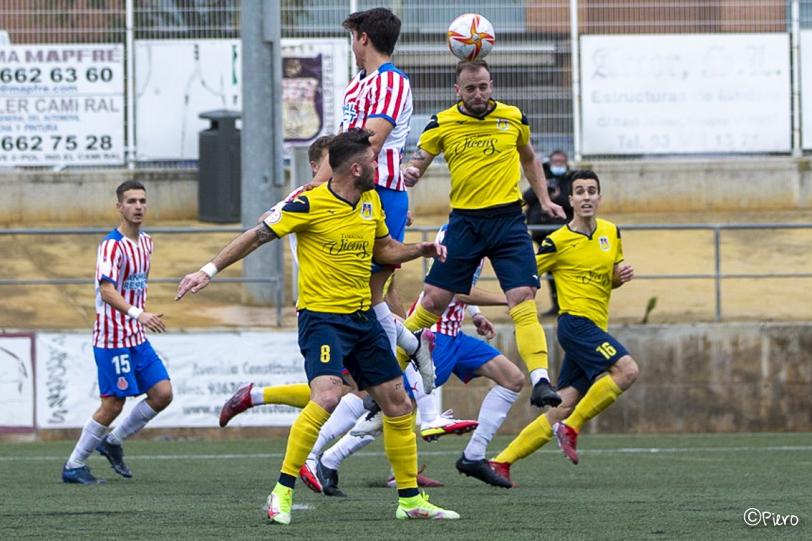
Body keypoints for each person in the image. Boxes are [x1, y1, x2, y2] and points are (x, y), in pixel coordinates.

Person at [175, 129, 459, 524]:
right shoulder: (307, 203)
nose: (379, 167)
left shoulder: (370, 201)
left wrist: (420, 249)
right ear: (356, 168)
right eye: (374, 161)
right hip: (322, 319)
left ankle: (411, 501)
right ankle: (281, 492)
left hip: (363, 319)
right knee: (326, 396)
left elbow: (384, 250)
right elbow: (256, 236)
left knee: (398, 405)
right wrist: (208, 270)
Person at [301, 225, 525, 493]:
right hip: (434, 333)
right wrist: (508, 300)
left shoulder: (485, 232)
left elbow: (466, 283)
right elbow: (453, 285)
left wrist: (474, 314)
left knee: (512, 379)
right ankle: (324, 457)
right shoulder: (457, 232)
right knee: (387, 402)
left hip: (455, 335)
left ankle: (474, 455)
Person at [401, 59, 566, 408]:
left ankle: (540, 380)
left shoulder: (513, 118)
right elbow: (419, 160)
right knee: (432, 300)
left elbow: (529, 158)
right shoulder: (442, 122)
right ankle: (392, 365)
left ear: (492, 85)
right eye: (470, 88)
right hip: (465, 222)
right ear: (457, 90)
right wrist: (412, 174)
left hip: (508, 220)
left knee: (523, 295)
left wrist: (545, 199)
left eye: (484, 86)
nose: (478, 94)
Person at [308, 7, 435, 392]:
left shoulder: (392, 82)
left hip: (380, 195)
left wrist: (314, 190)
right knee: (365, 292)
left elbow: (369, 145)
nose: (352, 44)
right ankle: (405, 363)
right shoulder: (354, 86)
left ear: (362, 38)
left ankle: (401, 373)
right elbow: (342, 146)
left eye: (353, 37)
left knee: (369, 293)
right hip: (349, 194)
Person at [486, 170, 639, 486]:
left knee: (563, 404)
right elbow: (526, 275)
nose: (586, 197)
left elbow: (608, 277)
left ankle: (501, 461)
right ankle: (571, 428)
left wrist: (617, 277)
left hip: (596, 327)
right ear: (569, 200)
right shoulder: (556, 241)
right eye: (579, 191)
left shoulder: (612, 232)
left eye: (591, 191)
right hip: (574, 325)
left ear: (599, 197)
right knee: (627, 370)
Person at [62, 181, 173, 484]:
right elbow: (108, 291)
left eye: (142, 201)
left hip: (136, 336)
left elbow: (133, 288)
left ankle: (112, 441)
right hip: (112, 339)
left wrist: (139, 317)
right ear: (119, 207)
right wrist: (140, 314)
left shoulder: (147, 242)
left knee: (163, 393)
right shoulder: (112, 245)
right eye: (131, 201)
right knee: (113, 404)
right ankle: (74, 465)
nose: (138, 206)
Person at [524, 150, 573, 316]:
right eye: (555, 161)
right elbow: (526, 197)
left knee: (564, 271)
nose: (558, 164)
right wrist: (543, 192)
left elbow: (572, 204)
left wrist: (557, 198)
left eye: (561, 161)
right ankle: (556, 305)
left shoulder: (570, 179)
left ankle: (567, 306)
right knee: (547, 271)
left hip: (561, 232)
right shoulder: (540, 177)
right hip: (540, 231)